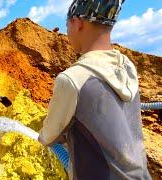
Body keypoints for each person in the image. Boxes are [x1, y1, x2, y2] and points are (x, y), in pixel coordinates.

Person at [38, 0, 151, 179]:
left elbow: (48, 136)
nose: (67, 33)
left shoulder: (73, 79)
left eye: (67, 26)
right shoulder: (128, 67)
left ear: (77, 23)